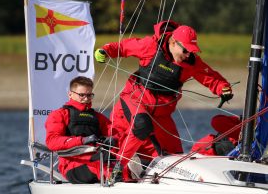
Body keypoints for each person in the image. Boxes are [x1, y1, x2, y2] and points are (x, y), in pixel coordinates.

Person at [94, 20, 234, 178]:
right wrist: (105, 50)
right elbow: (124, 47)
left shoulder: (190, 62)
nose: (188, 54)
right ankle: (118, 167)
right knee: (141, 125)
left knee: (175, 158)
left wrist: (223, 88)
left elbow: (211, 77)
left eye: (192, 51)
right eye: (186, 50)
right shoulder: (150, 46)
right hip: (135, 99)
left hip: (161, 114)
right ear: (173, 42)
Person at [45, 76, 119, 184]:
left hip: (98, 159)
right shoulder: (59, 115)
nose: (86, 98)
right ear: (70, 94)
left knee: (123, 167)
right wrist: (82, 140)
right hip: (73, 164)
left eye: (89, 95)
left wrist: (114, 140)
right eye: (82, 95)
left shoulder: (98, 117)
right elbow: (52, 141)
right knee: (107, 171)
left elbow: (116, 134)